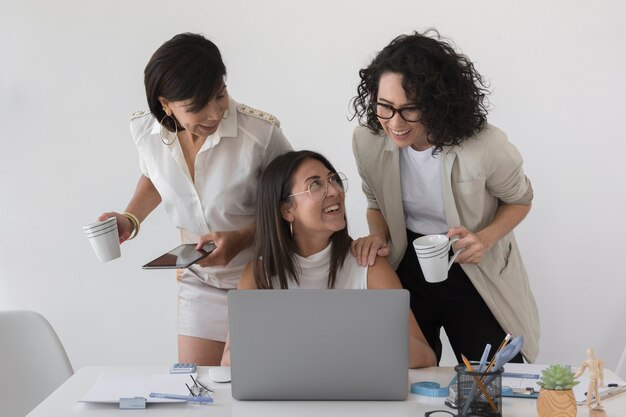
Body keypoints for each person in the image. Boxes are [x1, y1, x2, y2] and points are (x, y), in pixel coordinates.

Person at [98, 33, 292, 365]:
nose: (214, 114)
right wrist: (130, 218)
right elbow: (157, 177)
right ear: (165, 104)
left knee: (252, 391)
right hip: (199, 280)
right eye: (196, 107)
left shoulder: (261, 134)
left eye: (220, 95)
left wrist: (241, 238)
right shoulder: (147, 132)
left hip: (262, 276)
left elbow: (295, 206)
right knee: (196, 391)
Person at [350, 29, 539, 364]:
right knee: (402, 374)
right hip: (407, 261)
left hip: (470, 265)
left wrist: (484, 239)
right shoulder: (368, 140)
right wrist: (378, 238)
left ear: (437, 104)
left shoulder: (484, 146)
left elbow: (520, 200)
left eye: (409, 110)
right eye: (385, 107)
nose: (394, 123)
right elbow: (375, 202)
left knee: (495, 379)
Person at [221, 150, 436, 368]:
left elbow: (425, 357)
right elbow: (229, 361)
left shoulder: (369, 265)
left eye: (333, 179)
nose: (334, 190)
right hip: (287, 399)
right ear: (286, 210)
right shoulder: (259, 275)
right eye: (315, 185)